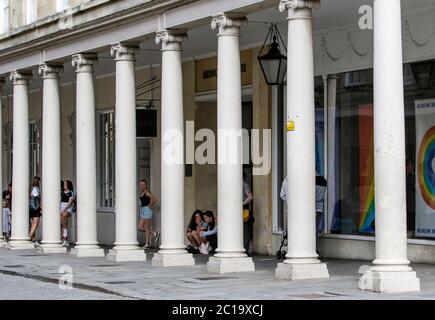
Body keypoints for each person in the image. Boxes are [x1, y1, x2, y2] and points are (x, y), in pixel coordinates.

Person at [138, 179, 159, 249]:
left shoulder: (147, 192)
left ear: (146, 185)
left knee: (147, 228)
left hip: (147, 210)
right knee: (140, 227)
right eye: (140, 185)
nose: (141, 186)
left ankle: (147, 244)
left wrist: (150, 205)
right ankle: (154, 233)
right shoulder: (141, 192)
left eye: (143, 185)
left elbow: (155, 199)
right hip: (143, 210)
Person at [60, 180, 75, 247]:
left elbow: (70, 202)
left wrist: (64, 209)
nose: (64, 185)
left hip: (68, 207)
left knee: (64, 214)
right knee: (62, 223)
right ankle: (65, 240)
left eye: (66, 184)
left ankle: (65, 234)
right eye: (64, 184)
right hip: (61, 206)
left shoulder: (71, 192)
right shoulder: (61, 192)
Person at [242, 171, 254, 256]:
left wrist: (241, 204)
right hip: (237, 209)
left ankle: (245, 248)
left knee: (245, 229)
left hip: (244, 209)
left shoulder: (245, 185)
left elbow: (250, 197)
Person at [29, 176, 42, 246]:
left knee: (32, 224)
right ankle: (29, 238)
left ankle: (33, 239)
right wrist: (41, 207)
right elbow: (37, 198)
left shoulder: (30, 188)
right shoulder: (35, 188)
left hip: (30, 208)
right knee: (35, 224)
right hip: (35, 208)